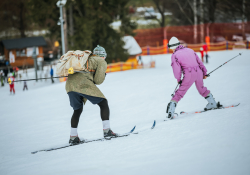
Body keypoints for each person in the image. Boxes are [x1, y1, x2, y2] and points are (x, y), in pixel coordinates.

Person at [66, 45, 117, 145]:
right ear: (102, 55)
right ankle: (107, 131)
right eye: (104, 57)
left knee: (77, 109)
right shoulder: (101, 61)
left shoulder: (84, 59)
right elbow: (98, 80)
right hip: (83, 84)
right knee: (103, 103)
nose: (104, 59)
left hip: (70, 86)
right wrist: (103, 75)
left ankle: (73, 137)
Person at [166, 37, 220, 119]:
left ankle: (170, 112)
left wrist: (178, 79)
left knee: (180, 92)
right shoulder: (190, 50)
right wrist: (204, 73)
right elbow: (199, 62)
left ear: (173, 47)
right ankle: (212, 103)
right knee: (202, 89)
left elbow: (177, 70)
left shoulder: (175, 55)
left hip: (189, 74)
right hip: (198, 72)